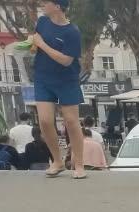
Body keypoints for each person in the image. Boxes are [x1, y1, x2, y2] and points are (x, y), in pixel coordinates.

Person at [26, 0, 86, 179]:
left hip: (67, 80)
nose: (43, 5)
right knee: (45, 121)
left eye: (47, 2)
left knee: (71, 121)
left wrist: (42, 45)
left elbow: (66, 60)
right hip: (43, 78)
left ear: (58, 6)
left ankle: (79, 164)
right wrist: (31, 44)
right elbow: (35, 43)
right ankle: (57, 161)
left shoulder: (72, 32)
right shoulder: (42, 21)